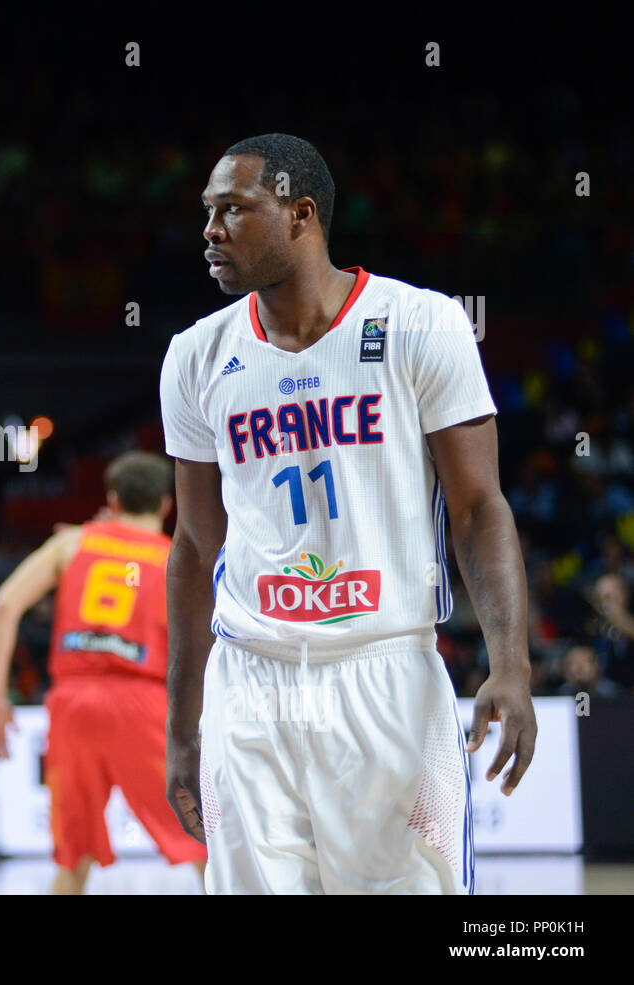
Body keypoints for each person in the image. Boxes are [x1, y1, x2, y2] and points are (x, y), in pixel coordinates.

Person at [160, 134, 536, 895]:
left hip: (386, 668)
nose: (210, 230)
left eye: (233, 209)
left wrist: (512, 662)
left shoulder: (421, 323)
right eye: (207, 211)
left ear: (301, 214)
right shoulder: (195, 356)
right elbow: (197, 547)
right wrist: (180, 726)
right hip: (249, 679)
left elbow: (478, 509)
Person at [0, 451, 207, 893]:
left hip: (73, 703)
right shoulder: (175, 558)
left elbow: (5, 605)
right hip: (144, 703)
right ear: (165, 504)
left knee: (73, 855)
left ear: (112, 499)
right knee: (202, 842)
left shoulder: (72, 542)